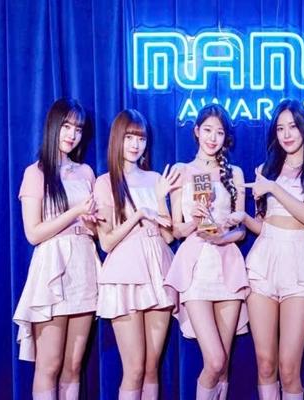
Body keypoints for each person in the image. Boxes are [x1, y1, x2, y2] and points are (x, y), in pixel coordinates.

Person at [230, 99, 304, 399]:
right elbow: (265, 224)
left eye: (293, 127)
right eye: (280, 128)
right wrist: (243, 217)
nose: (287, 134)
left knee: (289, 368)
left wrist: (274, 188)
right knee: (265, 364)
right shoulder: (265, 169)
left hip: (299, 264)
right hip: (264, 261)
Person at [13, 98, 99, 400]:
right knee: (49, 365)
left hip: (84, 265)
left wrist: (91, 223)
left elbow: (94, 230)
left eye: (78, 128)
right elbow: (33, 233)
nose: (72, 134)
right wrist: (75, 213)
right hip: (52, 267)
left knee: (73, 367)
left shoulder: (86, 172)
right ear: (53, 126)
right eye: (66, 126)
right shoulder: (35, 172)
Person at [165, 104, 249, 400]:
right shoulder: (182, 170)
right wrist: (195, 222)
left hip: (228, 263)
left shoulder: (234, 173)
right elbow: (176, 230)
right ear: (196, 131)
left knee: (223, 365)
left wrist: (225, 235)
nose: (213, 138)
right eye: (208, 130)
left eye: (220, 132)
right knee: (214, 360)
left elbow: (241, 229)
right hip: (196, 266)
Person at [93, 109, 179, 400]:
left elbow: (169, 236)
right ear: (117, 139)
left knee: (152, 367)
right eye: (129, 137)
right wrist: (139, 215)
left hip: (158, 268)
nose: (135, 144)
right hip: (125, 273)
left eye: (140, 138)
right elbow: (106, 242)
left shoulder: (155, 178)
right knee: (134, 369)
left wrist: (160, 199)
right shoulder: (105, 182)